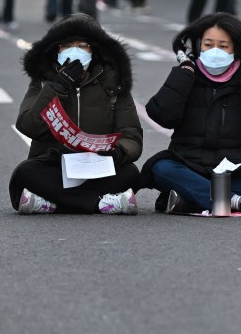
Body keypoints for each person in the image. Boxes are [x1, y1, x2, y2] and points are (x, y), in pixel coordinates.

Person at [141, 13, 241, 215]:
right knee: (161, 167)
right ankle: (237, 201)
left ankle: (193, 199)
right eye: (208, 44)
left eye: (223, 46)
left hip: (237, 169)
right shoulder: (187, 74)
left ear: (236, 48)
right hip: (191, 167)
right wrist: (183, 74)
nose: (215, 51)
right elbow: (162, 115)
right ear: (198, 46)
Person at [10, 14, 142, 215]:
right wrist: (57, 87)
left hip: (99, 166)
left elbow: (131, 135)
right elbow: (27, 125)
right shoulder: (43, 81)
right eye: (66, 45)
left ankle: (53, 204)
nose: (75, 51)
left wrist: (118, 153)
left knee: (131, 173)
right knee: (24, 173)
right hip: (55, 164)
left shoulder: (113, 83)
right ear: (56, 49)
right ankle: (100, 204)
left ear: (95, 50)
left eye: (83, 45)